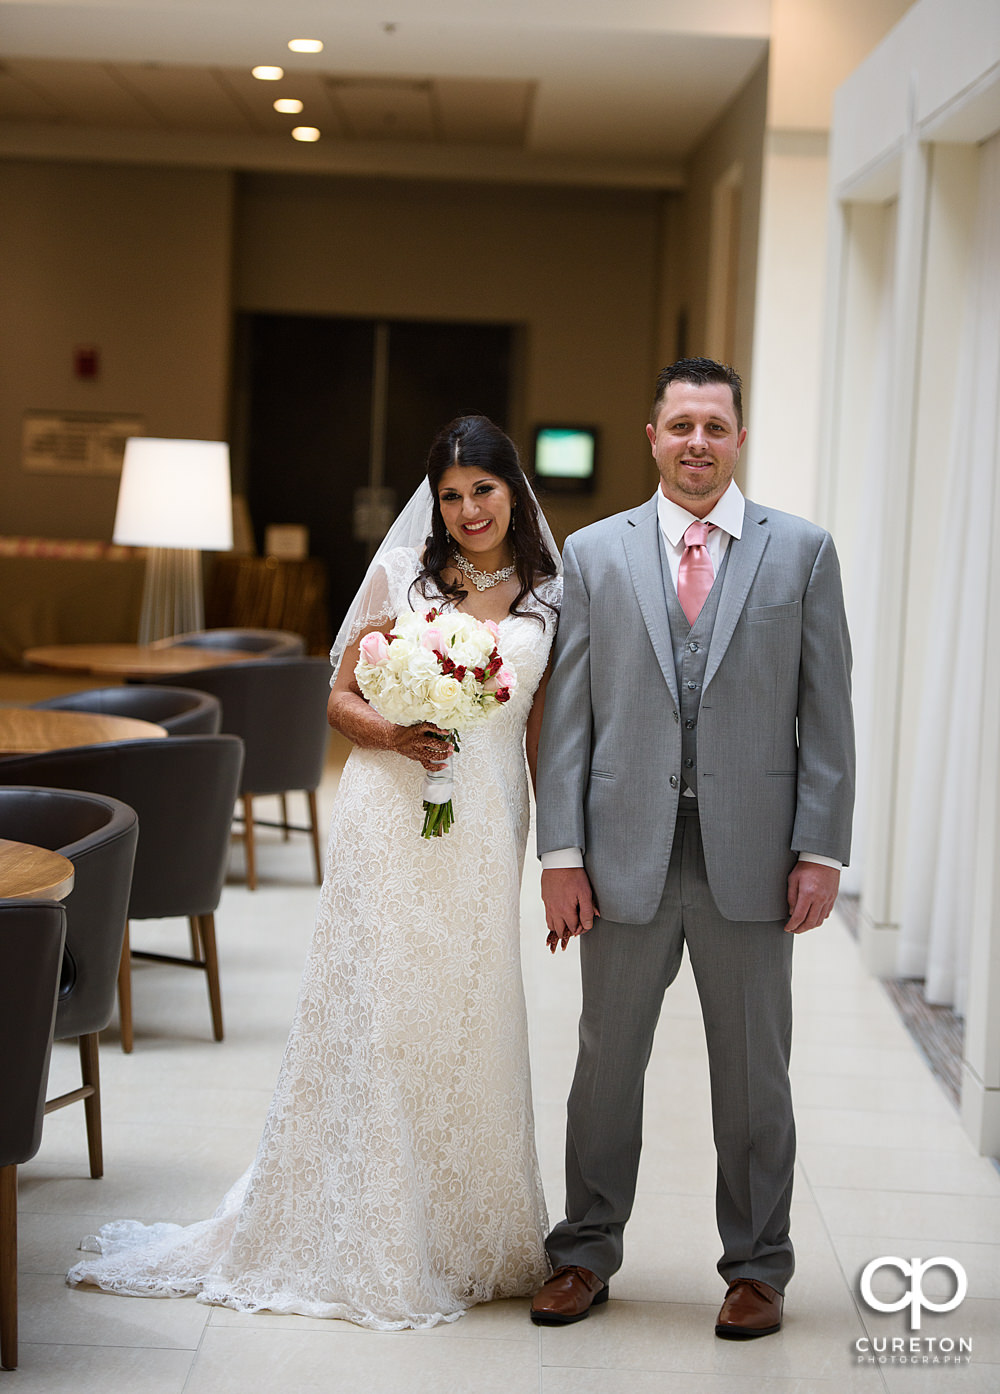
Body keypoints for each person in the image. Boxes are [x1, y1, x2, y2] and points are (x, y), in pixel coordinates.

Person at [68, 414, 562, 1330]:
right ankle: (364, 1226)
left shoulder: (550, 595)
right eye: (451, 495)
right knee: (379, 1003)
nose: (466, 511)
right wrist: (394, 731)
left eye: (482, 491)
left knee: (465, 1006)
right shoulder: (406, 575)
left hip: (487, 819)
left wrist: (559, 852)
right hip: (386, 805)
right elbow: (337, 695)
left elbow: (544, 735)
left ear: (513, 489)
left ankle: (464, 1231)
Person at [530, 358, 854, 1338]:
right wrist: (560, 854)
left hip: (752, 857)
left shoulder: (800, 552)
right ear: (652, 435)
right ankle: (584, 1249)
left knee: (755, 1070)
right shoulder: (593, 554)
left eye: (715, 425)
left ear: (738, 437)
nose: (697, 442)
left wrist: (820, 849)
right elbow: (570, 717)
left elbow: (825, 714)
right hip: (622, 849)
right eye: (680, 425)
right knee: (604, 1060)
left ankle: (757, 1264)